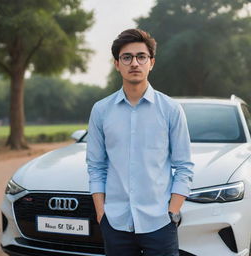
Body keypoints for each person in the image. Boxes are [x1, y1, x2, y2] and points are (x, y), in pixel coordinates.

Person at [86, 28, 194, 256]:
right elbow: (96, 166)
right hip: (115, 223)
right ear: (117, 64)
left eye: (141, 56)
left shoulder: (171, 110)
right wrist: (101, 214)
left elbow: (184, 167)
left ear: (151, 62)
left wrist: (172, 212)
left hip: (160, 223)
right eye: (127, 57)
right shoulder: (101, 110)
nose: (134, 63)